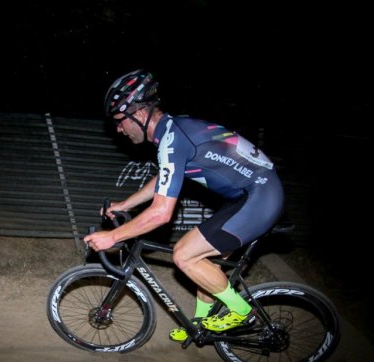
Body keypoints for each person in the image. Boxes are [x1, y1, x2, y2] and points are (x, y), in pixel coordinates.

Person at [84, 69, 284, 342]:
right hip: (251, 196)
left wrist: (113, 236)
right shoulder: (173, 129)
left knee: (183, 254)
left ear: (139, 115)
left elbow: (161, 212)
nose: (118, 129)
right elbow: (161, 181)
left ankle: (241, 311)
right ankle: (201, 324)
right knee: (202, 260)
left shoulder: (172, 138)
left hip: (259, 198)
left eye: (120, 121)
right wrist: (124, 204)